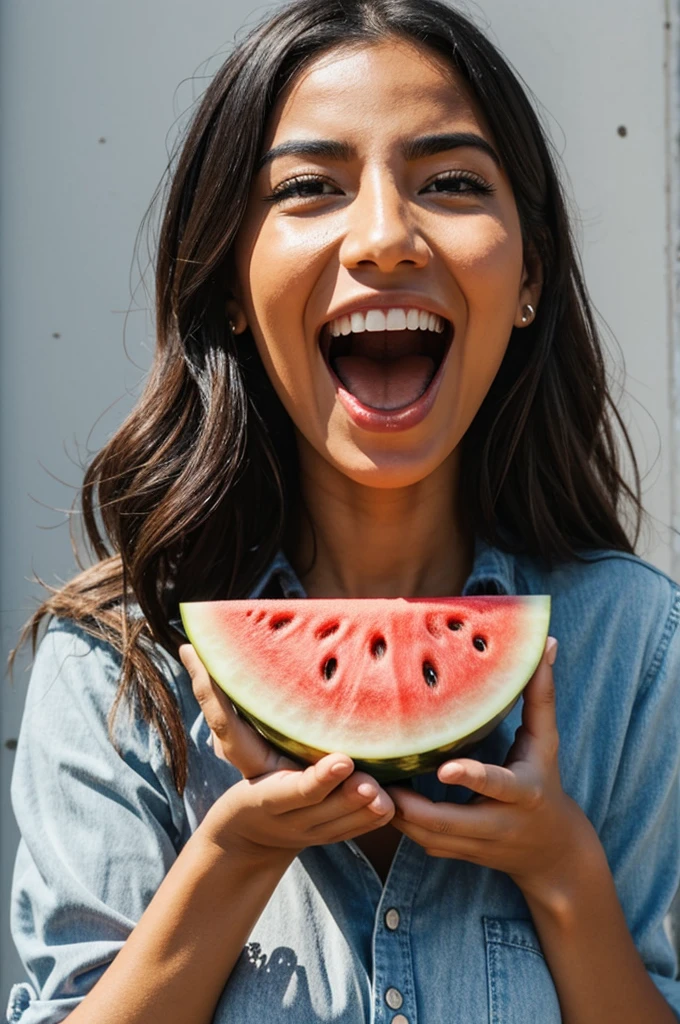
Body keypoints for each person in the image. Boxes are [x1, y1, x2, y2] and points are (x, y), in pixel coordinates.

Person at [6, 0, 680, 1021]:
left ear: (529, 273)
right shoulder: (115, 663)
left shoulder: (630, 646)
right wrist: (235, 852)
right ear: (231, 277)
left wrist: (561, 868)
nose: (383, 237)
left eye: (449, 182)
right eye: (309, 188)